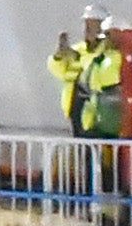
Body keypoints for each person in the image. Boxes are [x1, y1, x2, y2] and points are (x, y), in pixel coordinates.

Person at [51, 9, 127, 140]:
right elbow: (60, 72)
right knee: (83, 153)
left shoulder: (111, 53)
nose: (87, 29)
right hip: (76, 110)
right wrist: (58, 56)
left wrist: (81, 59)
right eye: (86, 25)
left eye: (92, 25)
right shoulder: (79, 49)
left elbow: (106, 76)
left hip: (100, 115)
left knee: (100, 153)